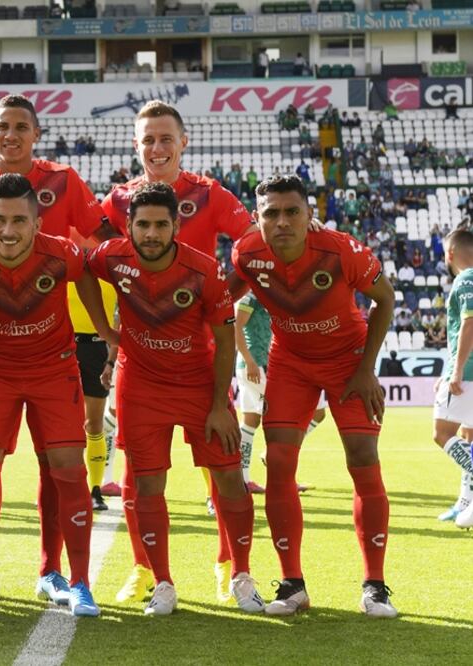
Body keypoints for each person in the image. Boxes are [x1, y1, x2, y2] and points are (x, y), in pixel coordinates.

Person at [0, 94, 117, 603]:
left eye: (20, 221)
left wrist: (109, 331)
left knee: (67, 471)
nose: (8, 230)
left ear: (37, 220)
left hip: (55, 370)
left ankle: (70, 579)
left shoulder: (62, 248)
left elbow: (97, 267)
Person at [99, 100, 255, 604]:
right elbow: (100, 262)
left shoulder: (210, 194)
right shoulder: (118, 199)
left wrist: (223, 293)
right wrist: (108, 334)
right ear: (135, 145)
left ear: (183, 142)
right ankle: (146, 570)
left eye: (166, 138)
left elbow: (253, 242)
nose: (157, 148)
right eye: (148, 139)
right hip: (140, 363)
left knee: (220, 469)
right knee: (136, 478)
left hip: (201, 359)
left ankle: (231, 563)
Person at [231, 175, 397, 618]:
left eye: (292, 212)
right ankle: (293, 584)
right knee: (280, 462)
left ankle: (376, 586)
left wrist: (366, 369)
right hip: (290, 362)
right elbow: (219, 302)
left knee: (362, 456)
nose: (282, 222)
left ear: (310, 214)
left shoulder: (341, 249)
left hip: (348, 359)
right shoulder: (246, 254)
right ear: (257, 218)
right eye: (271, 213)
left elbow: (386, 299)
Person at [234, 292, 328, 499]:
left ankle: (244, 478)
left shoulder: (272, 297)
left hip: (264, 364)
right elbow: (236, 327)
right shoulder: (250, 298)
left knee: (252, 421)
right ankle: (278, 479)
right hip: (257, 365)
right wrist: (250, 361)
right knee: (281, 421)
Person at [430, 229, 473, 529]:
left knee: (442, 433)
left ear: (449, 254)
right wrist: (448, 368)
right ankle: (465, 503)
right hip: (464, 370)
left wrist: (456, 370)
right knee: (469, 437)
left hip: (468, 373)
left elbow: (469, 323)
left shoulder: (466, 279)